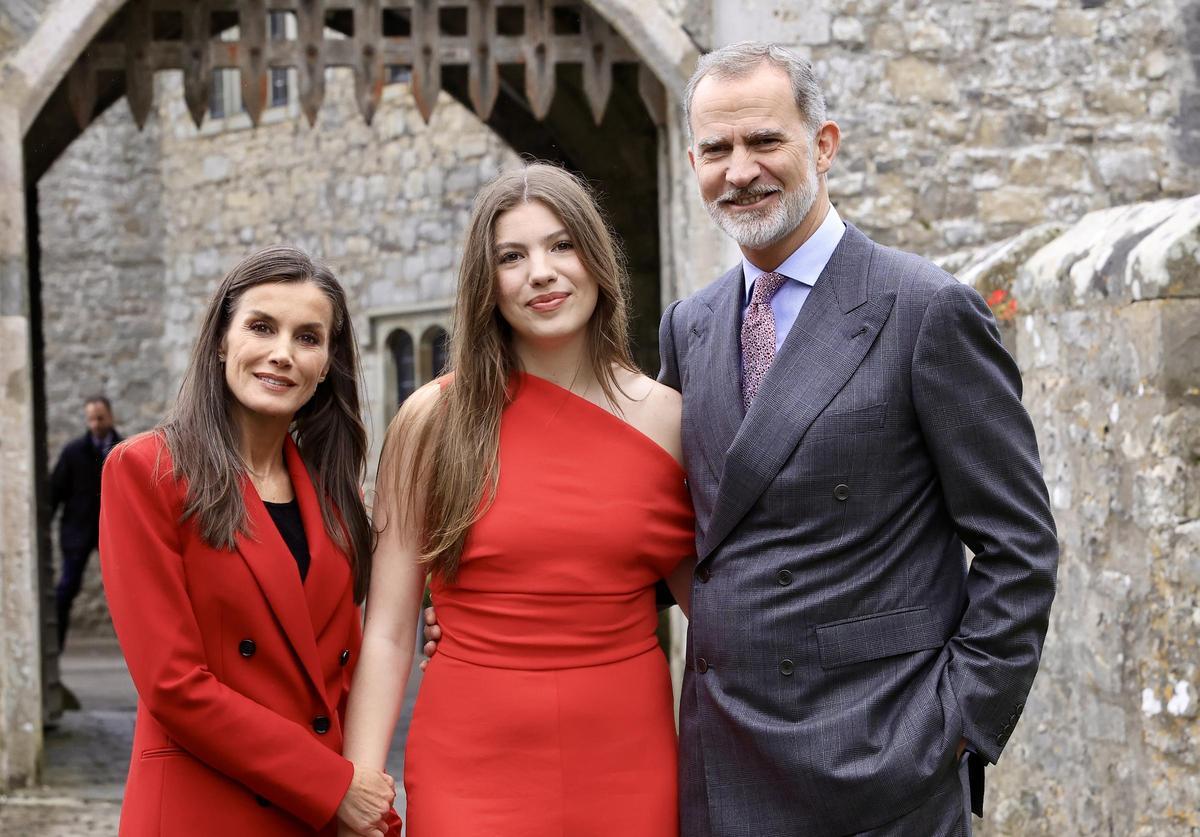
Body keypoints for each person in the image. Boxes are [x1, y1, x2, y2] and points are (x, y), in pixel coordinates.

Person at [425, 42, 1060, 837]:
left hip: (883, 759)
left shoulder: (924, 310)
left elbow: (1019, 545)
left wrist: (957, 723)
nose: (740, 170)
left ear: (823, 145)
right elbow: (668, 533)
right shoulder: (691, 326)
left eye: (764, 141)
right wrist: (498, 606)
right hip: (724, 758)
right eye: (717, 149)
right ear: (692, 162)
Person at [339, 162, 695, 836]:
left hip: (628, 759)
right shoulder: (430, 421)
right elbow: (387, 627)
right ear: (486, 283)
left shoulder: (671, 421)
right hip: (469, 763)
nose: (541, 272)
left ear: (597, 260)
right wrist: (358, 781)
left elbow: (718, 609)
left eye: (562, 245)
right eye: (512, 256)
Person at [99, 247, 400, 836]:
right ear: (221, 340)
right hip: (204, 808)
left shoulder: (337, 500)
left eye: (308, 338)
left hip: (315, 816)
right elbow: (172, 685)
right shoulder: (147, 471)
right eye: (261, 327)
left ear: (326, 365)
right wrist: (332, 786)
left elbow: (341, 676)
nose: (283, 353)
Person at [49, 394, 122, 652]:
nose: (95, 424)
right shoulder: (73, 452)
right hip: (78, 532)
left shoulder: (123, 450)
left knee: (125, 589)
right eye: (91, 419)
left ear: (110, 417)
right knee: (66, 588)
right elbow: (55, 492)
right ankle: (55, 646)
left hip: (112, 531)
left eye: (100, 418)